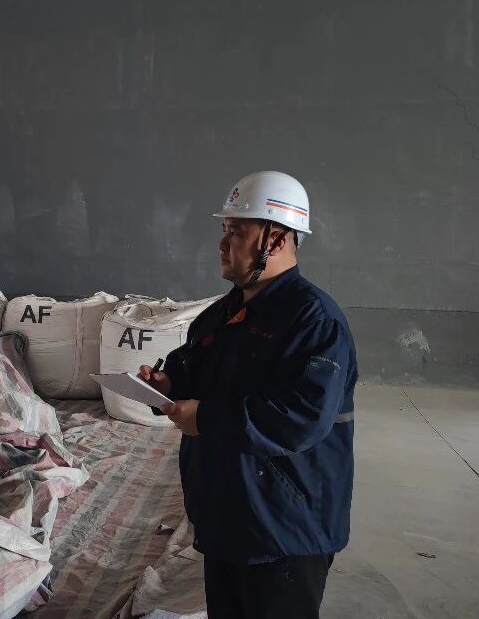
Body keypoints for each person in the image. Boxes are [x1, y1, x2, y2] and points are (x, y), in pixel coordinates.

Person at [139, 170, 357, 619]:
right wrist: (167, 385)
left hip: (284, 529)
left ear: (276, 239)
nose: (222, 244)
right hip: (228, 516)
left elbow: (301, 418)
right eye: (225, 230)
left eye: (237, 232)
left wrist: (205, 418)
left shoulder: (314, 321)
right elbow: (195, 367)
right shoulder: (225, 312)